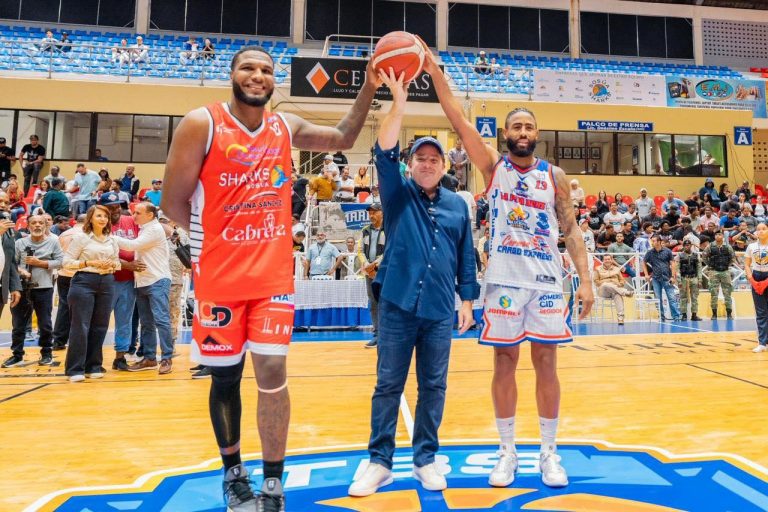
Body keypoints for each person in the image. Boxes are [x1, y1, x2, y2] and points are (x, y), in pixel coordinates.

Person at [160, 45, 381, 511]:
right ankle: (233, 474)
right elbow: (173, 202)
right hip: (219, 277)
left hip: (272, 279)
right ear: (232, 74)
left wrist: (369, 87)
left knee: (273, 374)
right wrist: (212, 240)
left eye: (265, 70)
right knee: (225, 379)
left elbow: (342, 136)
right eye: (248, 68)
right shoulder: (201, 123)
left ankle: (274, 483)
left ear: (273, 79)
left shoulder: (286, 126)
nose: (257, 76)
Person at [423, 44, 593, 489]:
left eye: (529, 126)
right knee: (504, 363)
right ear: (504, 132)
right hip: (502, 281)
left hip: (547, 281)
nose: (522, 131)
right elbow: (456, 115)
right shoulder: (491, 166)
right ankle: (507, 452)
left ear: (537, 134)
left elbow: (571, 230)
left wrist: (587, 280)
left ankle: (549, 453)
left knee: (547, 363)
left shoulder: (553, 176)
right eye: (515, 125)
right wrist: (433, 68)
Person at [347, 70, 479, 497]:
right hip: (399, 305)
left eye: (434, 159)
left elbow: (466, 257)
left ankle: (425, 458)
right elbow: (384, 149)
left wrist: (467, 301)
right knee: (388, 384)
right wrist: (399, 100)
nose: (426, 163)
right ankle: (378, 461)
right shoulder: (397, 193)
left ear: (443, 166)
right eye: (420, 157)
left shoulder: (459, 205)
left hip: (441, 309)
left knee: (434, 386)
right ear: (411, 164)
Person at [114, 203, 174, 374]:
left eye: (138, 213)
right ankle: (149, 358)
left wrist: (109, 237)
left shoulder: (154, 229)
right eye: (133, 212)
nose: (134, 216)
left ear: (150, 215)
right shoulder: (144, 228)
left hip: (157, 280)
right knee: (146, 323)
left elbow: (132, 246)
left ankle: (167, 358)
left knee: (162, 320)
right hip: (143, 281)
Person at [63, 205, 120, 382]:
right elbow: (66, 262)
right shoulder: (81, 238)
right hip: (83, 282)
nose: (103, 219)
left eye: (106, 216)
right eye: (99, 216)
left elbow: (117, 263)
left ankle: (93, 365)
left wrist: (111, 265)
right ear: (90, 218)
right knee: (80, 326)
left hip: (107, 282)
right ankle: (75, 369)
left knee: (100, 325)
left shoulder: (112, 240)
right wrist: (90, 263)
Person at [5, 214, 63, 368]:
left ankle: (46, 353)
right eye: (34, 223)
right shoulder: (20, 243)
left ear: (46, 226)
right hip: (21, 288)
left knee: (45, 324)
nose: (37, 225)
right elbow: (12, 264)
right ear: (29, 226)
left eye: (40, 223)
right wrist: (21, 271)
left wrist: (41, 263)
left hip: (43, 288)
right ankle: (17, 356)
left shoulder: (53, 242)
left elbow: (60, 262)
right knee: (18, 324)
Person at [52, 214, 84, 351]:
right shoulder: (88, 234)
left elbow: (57, 255)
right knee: (83, 309)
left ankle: (59, 340)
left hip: (64, 274)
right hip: (81, 274)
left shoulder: (64, 234)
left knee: (64, 307)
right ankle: (79, 341)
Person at [358, 202, 384, 348]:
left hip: (385, 272)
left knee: (387, 302)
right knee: (373, 302)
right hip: (369, 272)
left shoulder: (389, 229)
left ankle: (388, 334)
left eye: (374, 212)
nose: (371, 215)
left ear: (382, 213)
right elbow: (360, 250)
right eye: (370, 213)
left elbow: (390, 250)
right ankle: (377, 333)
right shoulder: (365, 230)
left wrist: (375, 264)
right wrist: (366, 265)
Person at [643, 234, 680, 322]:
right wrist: (646, 274)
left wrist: (673, 276)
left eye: (654, 241)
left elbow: (672, 264)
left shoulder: (667, 251)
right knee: (658, 299)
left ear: (659, 241)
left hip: (667, 277)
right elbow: (643, 262)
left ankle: (676, 317)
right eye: (652, 241)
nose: (652, 243)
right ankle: (661, 317)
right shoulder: (649, 252)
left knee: (672, 298)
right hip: (656, 278)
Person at [745, 223, 768, 353]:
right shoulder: (751, 246)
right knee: (761, 313)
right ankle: (762, 343)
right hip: (756, 276)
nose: (760, 231)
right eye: (758, 229)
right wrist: (751, 279)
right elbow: (747, 264)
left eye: (764, 229)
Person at [702, 231, 735, 320]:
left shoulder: (728, 246)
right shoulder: (710, 246)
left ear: (722, 236)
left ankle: (729, 314)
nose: (718, 236)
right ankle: (714, 314)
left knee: (727, 293)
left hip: (725, 272)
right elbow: (704, 257)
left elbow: (732, 258)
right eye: (716, 234)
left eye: (719, 234)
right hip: (713, 272)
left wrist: (727, 265)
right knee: (714, 293)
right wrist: (710, 265)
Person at [594, 254, 633, 325]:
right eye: (605, 259)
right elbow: (596, 282)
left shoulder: (617, 269)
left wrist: (620, 284)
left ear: (611, 260)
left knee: (617, 295)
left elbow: (622, 281)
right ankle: (625, 292)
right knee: (606, 284)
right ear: (603, 260)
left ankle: (620, 318)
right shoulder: (598, 269)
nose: (607, 261)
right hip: (603, 291)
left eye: (609, 259)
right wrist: (607, 282)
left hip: (615, 290)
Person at [677, 239, 702, 321]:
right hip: (684, 278)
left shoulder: (696, 255)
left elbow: (699, 268)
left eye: (688, 245)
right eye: (685, 245)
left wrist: (700, 280)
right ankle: (684, 315)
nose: (687, 246)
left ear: (691, 245)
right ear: (683, 246)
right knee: (683, 297)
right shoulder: (680, 255)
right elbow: (677, 269)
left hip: (694, 278)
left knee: (694, 297)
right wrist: (679, 281)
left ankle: (694, 315)